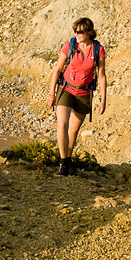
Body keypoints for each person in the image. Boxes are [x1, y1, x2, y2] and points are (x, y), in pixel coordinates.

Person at [46, 17, 107, 176]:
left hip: (84, 93)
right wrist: (51, 93)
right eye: (75, 31)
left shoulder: (98, 49)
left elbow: (101, 76)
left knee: (73, 130)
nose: (77, 34)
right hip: (65, 89)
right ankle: (62, 162)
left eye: (80, 32)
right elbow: (57, 70)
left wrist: (103, 100)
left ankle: (68, 161)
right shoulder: (69, 46)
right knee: (62, 124)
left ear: (89, 32)